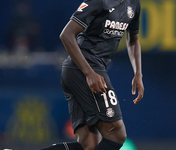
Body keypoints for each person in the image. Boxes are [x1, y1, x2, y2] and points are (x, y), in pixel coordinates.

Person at [39, 0, 144, 150]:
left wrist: (138, 73)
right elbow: (66, 35)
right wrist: (89, 73)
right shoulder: (99, 1)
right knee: (116, 135)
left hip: (87, 70)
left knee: (89, 144)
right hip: (84, 68)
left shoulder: (133, 4)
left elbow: (133, 39)